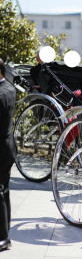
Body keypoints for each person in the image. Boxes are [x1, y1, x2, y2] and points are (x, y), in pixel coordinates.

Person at [0, 58, 16, 252]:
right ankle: (5, 232)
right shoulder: (9, 88)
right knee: (4, 190)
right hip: (7, 146)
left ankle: (3, 238)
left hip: (1, 148)